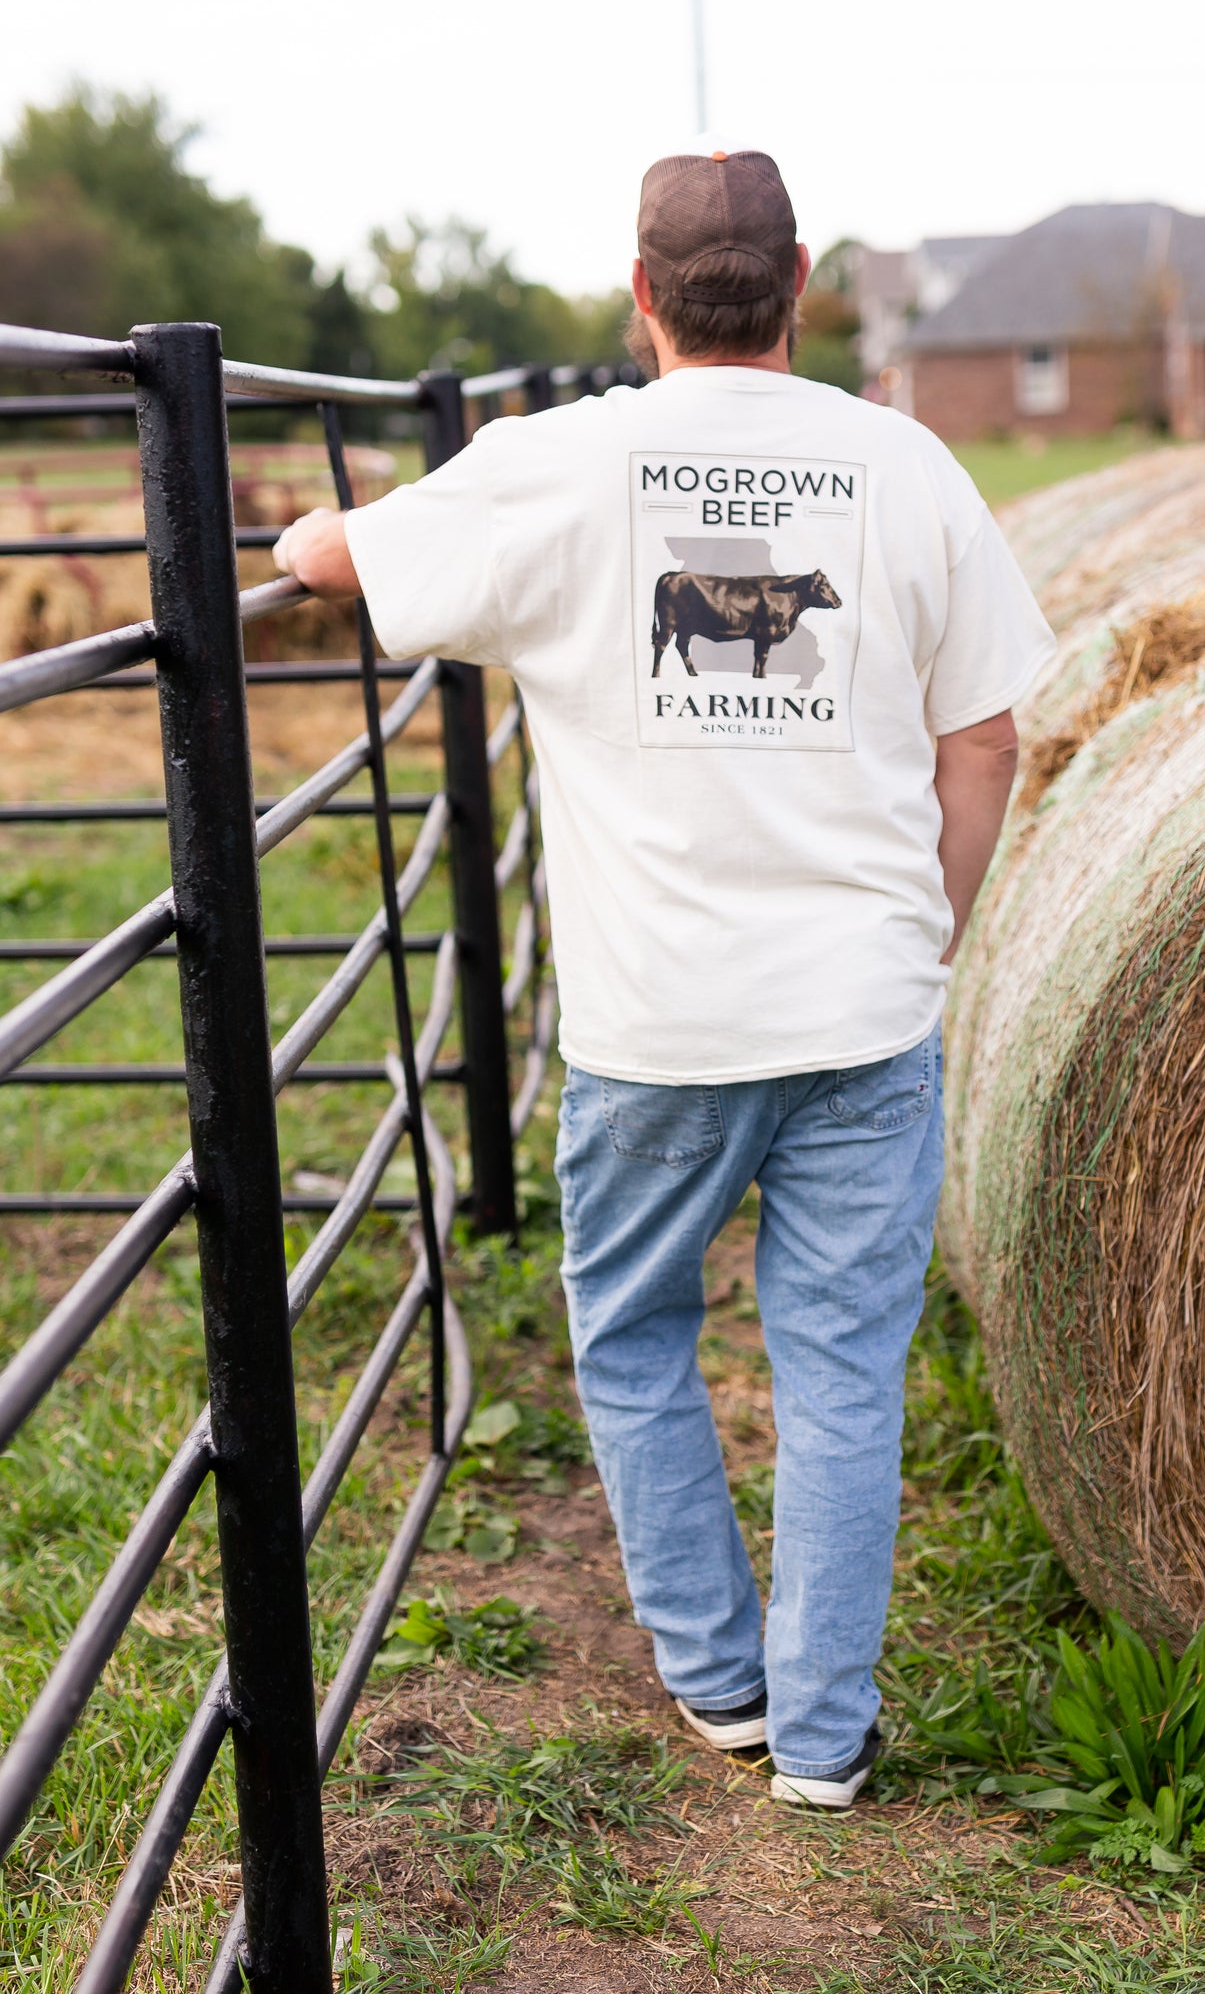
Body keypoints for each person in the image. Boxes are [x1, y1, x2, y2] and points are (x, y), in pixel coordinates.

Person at [273, 149, 1054, 1809]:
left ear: (641, 303)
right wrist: (929, 932)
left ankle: (719, 1684)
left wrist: (308, 519)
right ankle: (826, 1742)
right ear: (795, 294)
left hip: (656, 1022)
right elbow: (983, 737)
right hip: (861, 1004)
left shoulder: (558, 466)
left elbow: (339, 565)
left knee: (629, 1333)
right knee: (841, 1368)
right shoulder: (904, 467)